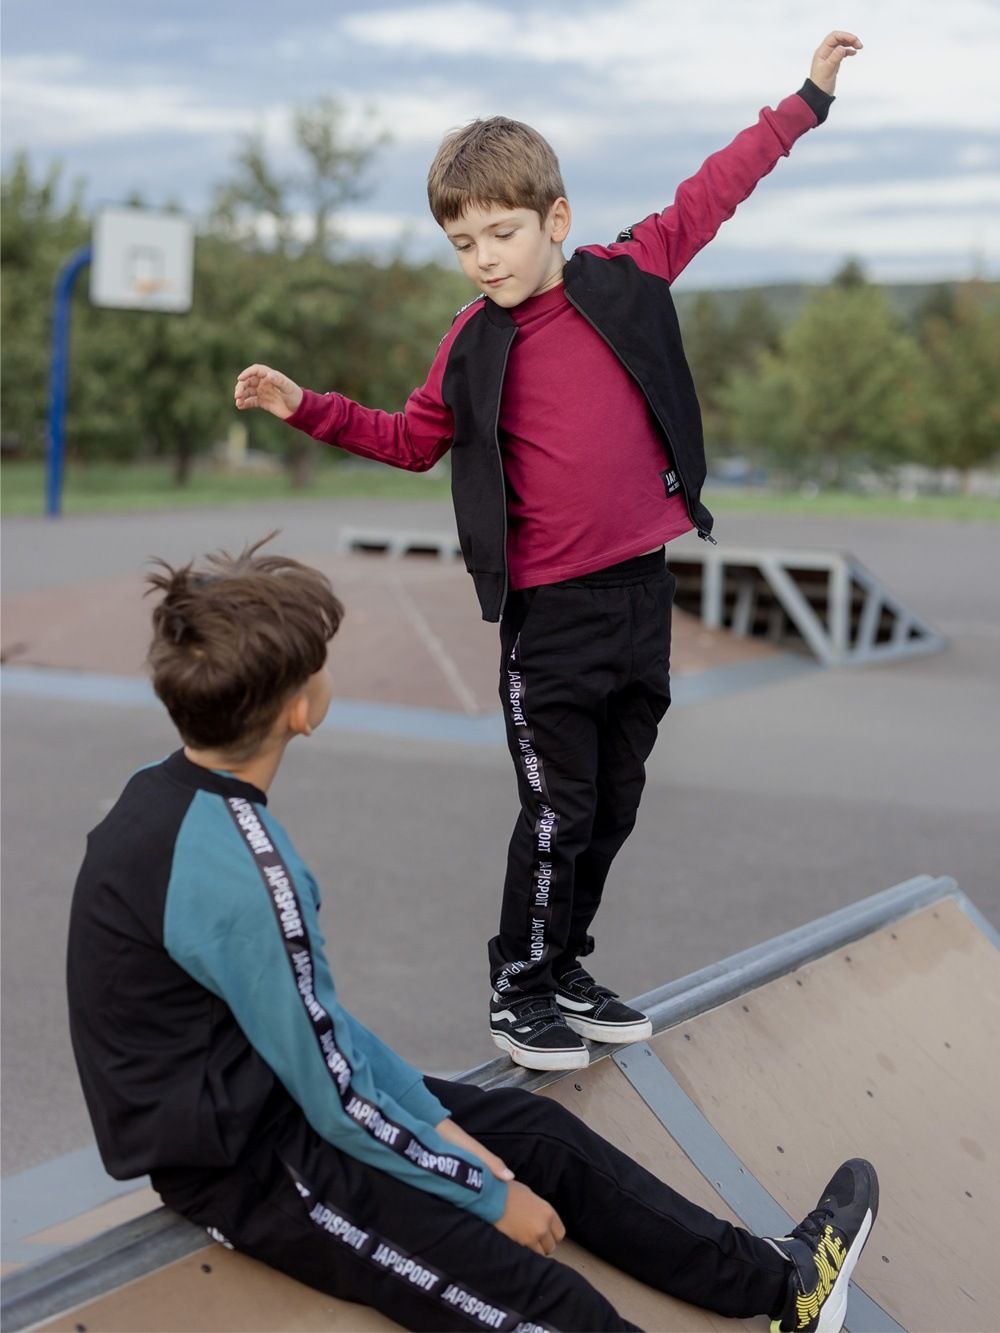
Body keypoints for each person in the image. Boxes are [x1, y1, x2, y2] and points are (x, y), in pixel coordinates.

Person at [234, 33, 864, 1072]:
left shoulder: (627, 274)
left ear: (554, 220)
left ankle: (565, 964)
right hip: (550, 615)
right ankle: (518, 986)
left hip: (641, 595)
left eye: (501, 233)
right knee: (556, 809)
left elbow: (714, 191)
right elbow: (410, 439)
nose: (484, 258)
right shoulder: (471, 342)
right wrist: (307, 406)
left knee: (613, 803)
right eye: (462, 242)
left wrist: (805, 101)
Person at [67, 537, 878, 1333]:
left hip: (271, 1096)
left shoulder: (164, 797)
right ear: (300, 708)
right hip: (249, 1165)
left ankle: (784, 1282)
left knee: (541, 1137)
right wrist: (486, 1193)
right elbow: (335, 1094)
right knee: (553, 1309)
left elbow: (322, 1032)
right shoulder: (249, 873)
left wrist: (441, 1122)